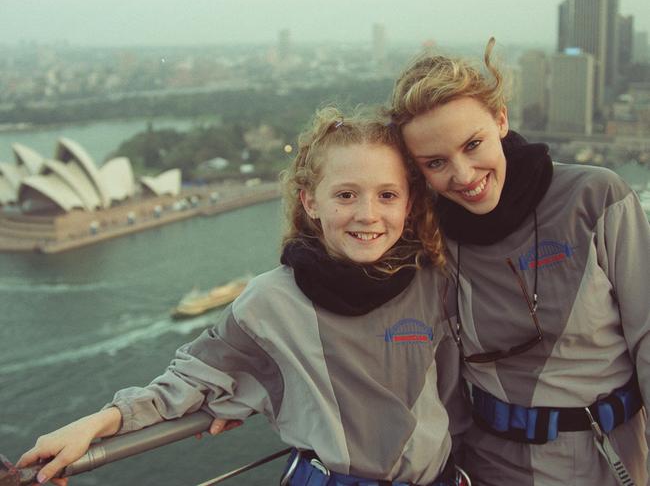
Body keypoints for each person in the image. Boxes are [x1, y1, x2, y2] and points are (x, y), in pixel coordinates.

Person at [18, 106, 468, 486]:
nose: (367, 214)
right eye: (346, 194)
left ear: (409, 203)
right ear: (311, 202)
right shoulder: (270, 302)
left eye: (387, 195)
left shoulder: (432, 280)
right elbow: (189, 381)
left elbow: (455, 383)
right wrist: (98, 423)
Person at [387, 37, 650, 486]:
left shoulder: (596, 197)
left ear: (502, 120)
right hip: (491, 466)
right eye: (436, 163)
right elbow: (349, 307)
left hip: (614, 459)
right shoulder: (428, 236)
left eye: (473, 144)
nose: (464, 176)